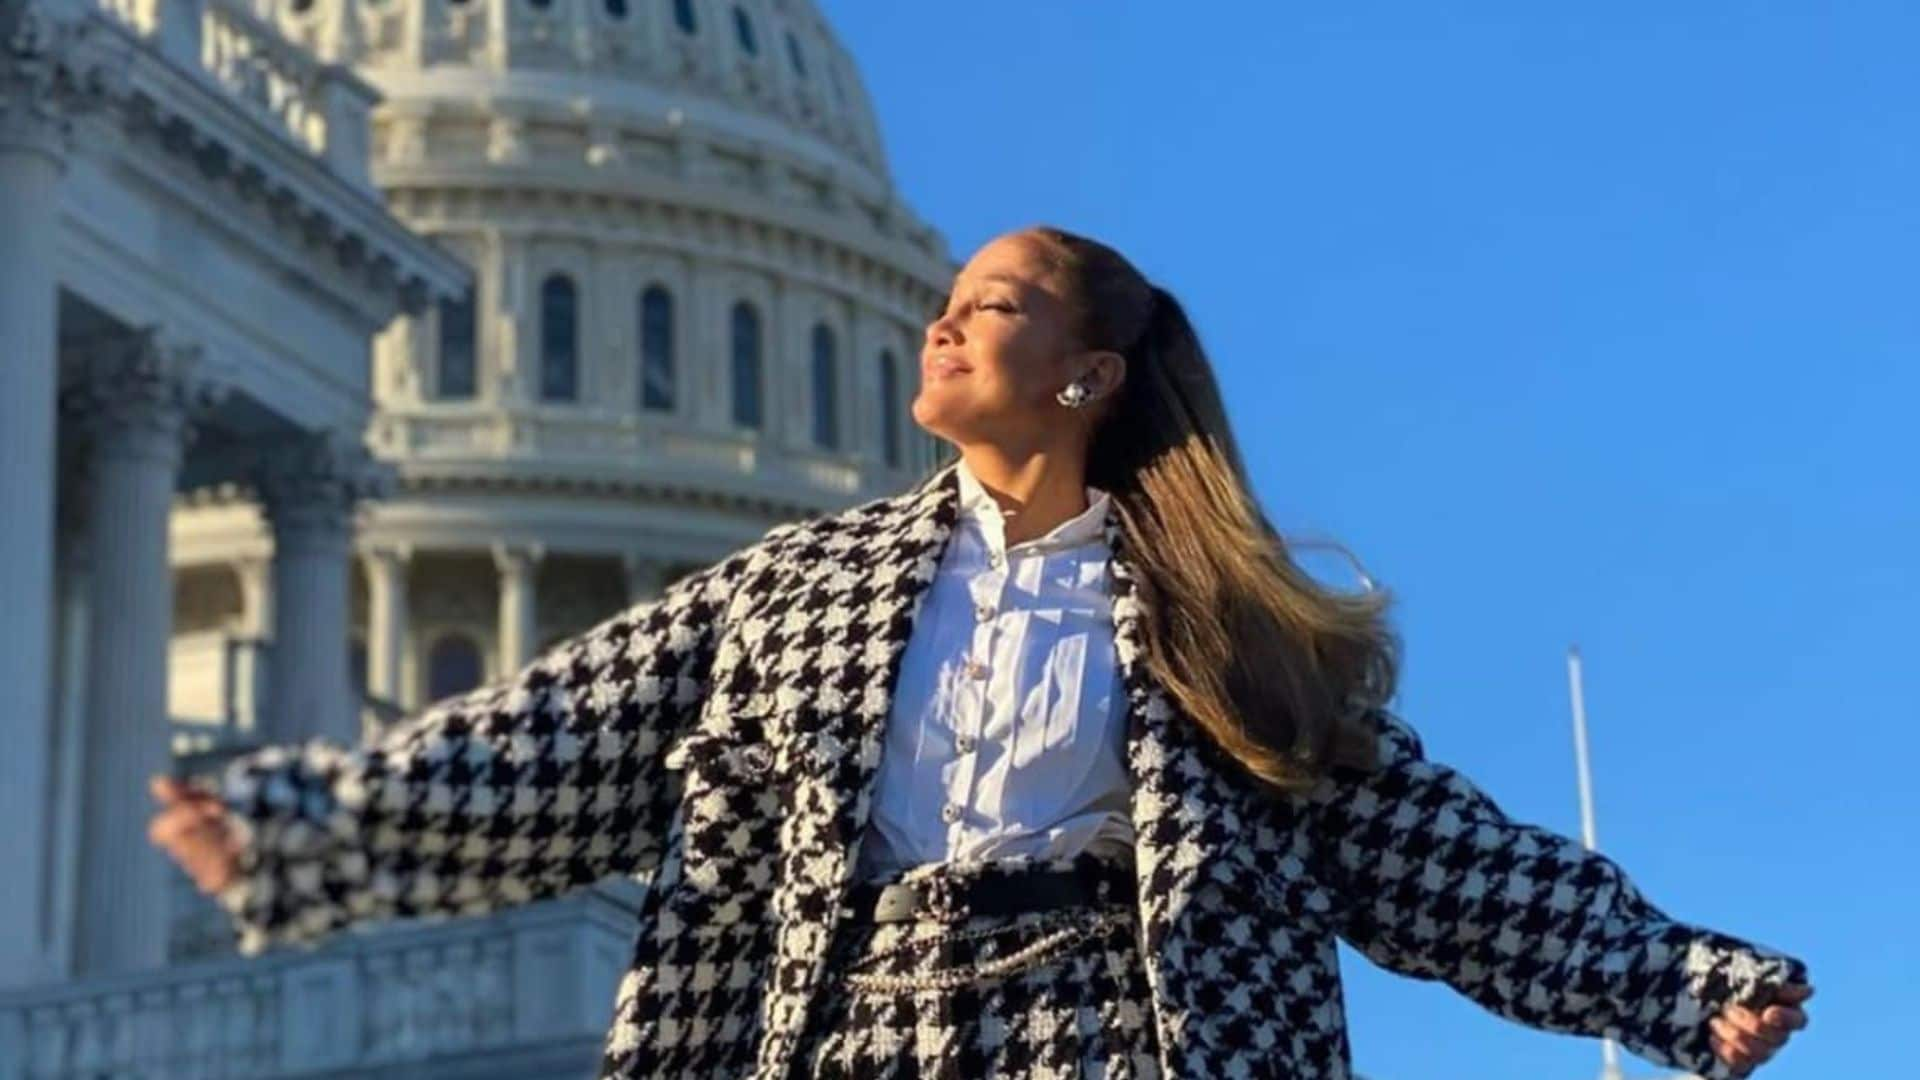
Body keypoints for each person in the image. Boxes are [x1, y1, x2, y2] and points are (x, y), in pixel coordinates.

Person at [151, 226, 1812, 1079]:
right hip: (854, 1025)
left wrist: (1668, 985)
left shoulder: (1216, 629)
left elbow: (1429, 854)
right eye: (946, 297)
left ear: (1090, 372)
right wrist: (313, 826)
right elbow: (561, 736)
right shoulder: (796, 591)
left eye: (998, 300)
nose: (946, 320)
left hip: (1114, 1032)